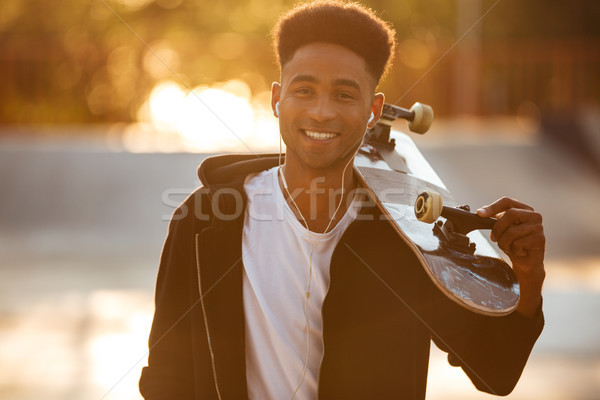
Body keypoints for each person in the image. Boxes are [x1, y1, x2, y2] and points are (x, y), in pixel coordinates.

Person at [139, 1, 545, 399]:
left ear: (374, 110)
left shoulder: (410, 235)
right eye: (304, 89)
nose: (321, 112)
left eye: (344, 95)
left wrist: (529, 280)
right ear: (277, 98)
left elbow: (494, 370)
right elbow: (166, 378)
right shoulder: (204, 220)